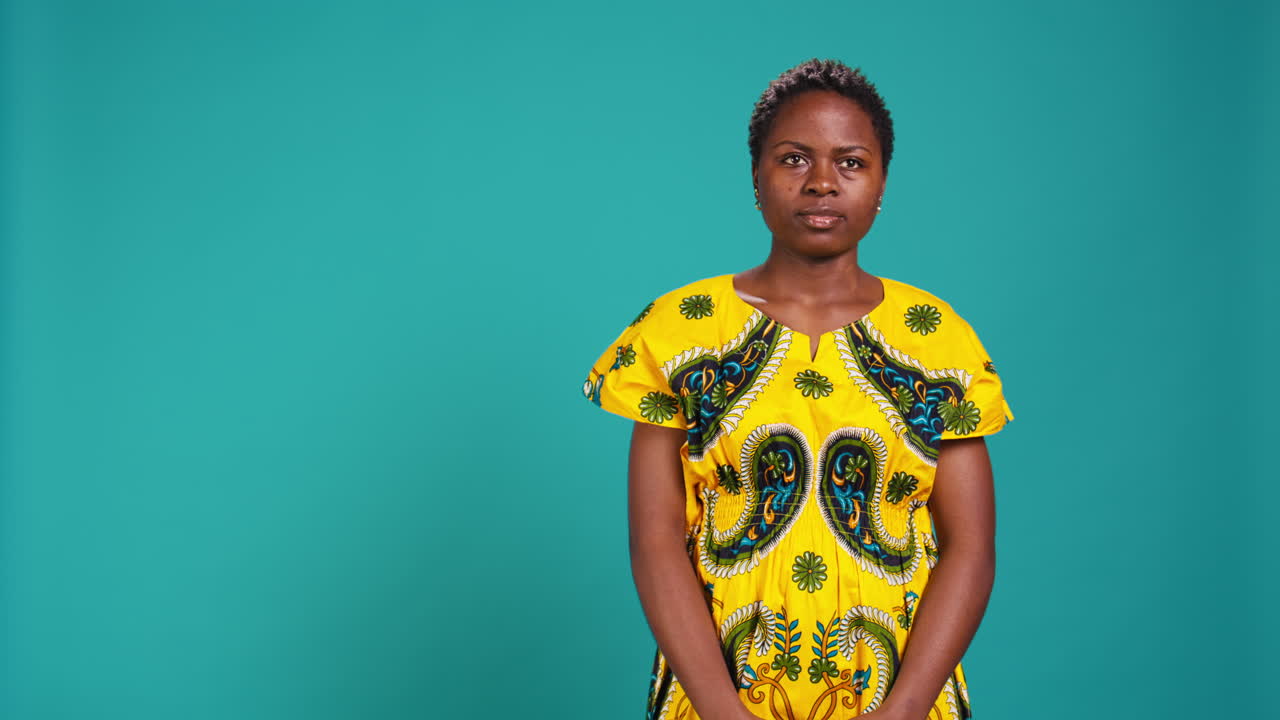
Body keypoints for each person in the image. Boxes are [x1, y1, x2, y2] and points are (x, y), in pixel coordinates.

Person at [581, 58, 1013, 720]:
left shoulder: (938, 341)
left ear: (881, 182)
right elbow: (656, 539)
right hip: (713, 700)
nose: (820, 183)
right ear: (756, 177)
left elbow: (971, 548)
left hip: (901, 699)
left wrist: (905, 709)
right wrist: (722, 711)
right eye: (793, 159)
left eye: (850, 163)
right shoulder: (677, 334)